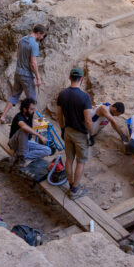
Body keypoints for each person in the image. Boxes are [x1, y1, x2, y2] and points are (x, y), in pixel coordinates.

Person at [57, 67, 93, 200]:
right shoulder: (84, 97)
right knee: (81, 162)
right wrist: (92, 135)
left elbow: (59, 115)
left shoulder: (62, 94)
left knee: (69, 159)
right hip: (80, 134)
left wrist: (62, 129)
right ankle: (75, 190)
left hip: (68, 131)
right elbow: (88, 120)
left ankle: (71, 184)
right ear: (82, 79)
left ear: (69, 77)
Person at [0, 24, 47, 123]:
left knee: (14, 95)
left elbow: (17, 54)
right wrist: (38, 78)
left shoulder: (22, 40)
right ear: (38, 33)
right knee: (32, 100)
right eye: (42, 35)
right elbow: (33, 63)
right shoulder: (34, 44)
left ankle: (3, 116)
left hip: (18, 73)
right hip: (27, 76)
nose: (42, 38)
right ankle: (30, 121)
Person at [8, 98, 51, 167]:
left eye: (34, 109)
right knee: (24, 130)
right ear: (25, 109)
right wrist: (39, 136)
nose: (33, 111)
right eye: (31, 109)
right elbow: (24, 127)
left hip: (26, 143)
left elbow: (31, 123)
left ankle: (19, 156)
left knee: (48, 150)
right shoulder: (19, 117)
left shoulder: (29, 116)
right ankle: (21, 156)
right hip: (15, 143)